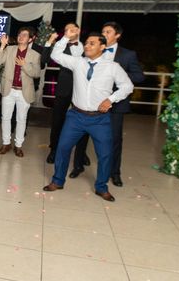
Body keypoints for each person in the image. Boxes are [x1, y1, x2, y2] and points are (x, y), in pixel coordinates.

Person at [43, 30, 134, 202]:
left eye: (92, 43)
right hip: (75, 116)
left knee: (105, 154)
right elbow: (56, 54)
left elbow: (127, 86)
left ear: (102, 46)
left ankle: (101, 187)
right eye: (86, 43)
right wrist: (65, 37)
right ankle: (57, 181)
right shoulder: (78, 63)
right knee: (62, 148)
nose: (87, 45)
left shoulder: (112, 67)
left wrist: (111, 99)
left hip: (99, 119)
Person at [72, 22, 145, 186]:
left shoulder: (127, 55)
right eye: (103, 31)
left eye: (108, 31)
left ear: (117, 35)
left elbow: (139, 76)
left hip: (115, 105)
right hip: (90, 103)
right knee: (82, 135)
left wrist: (117, 76)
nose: (104, 33)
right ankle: (78, 166)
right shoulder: (91, 52)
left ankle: (115, 173)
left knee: (114, 140)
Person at [43, 23, 89, 165]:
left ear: (78, 30)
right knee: (57, 121)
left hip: (82, 90)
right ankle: (54, 150)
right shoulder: (61, 46)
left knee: (83, 122)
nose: (69, 31)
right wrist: (57, 40)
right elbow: (49, 58)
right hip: (63, 89)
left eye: (73, 29)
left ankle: (82, 153)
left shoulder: (86, 47)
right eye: (67, 29)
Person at [0, 28, 42, 157]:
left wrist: (24, 64)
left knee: (21, 119)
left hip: (24, 92)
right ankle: (6, 144)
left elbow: (37, 73)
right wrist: (3, 45)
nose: (21, 36)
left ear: (31, 39)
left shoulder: (35, 55)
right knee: (5, 117)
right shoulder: (10, 49)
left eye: (25, 35)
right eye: (20, 34)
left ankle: (18, 146)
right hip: (8, 90)